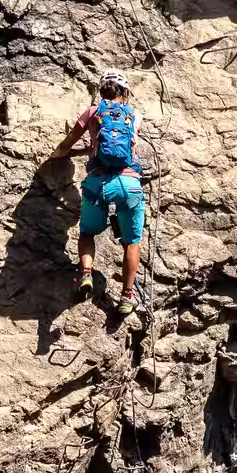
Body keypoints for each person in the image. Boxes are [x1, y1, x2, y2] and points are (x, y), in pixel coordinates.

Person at [48, 68, 147, 315]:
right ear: (125, 92)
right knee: (132, 242)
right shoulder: (134, 114)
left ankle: (86, 274)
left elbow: (70, 141)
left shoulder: (93, 113)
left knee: (87, 233)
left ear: (101, 90)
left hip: (97, 185)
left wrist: (57, 154)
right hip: (129, 184)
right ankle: (126, 296)